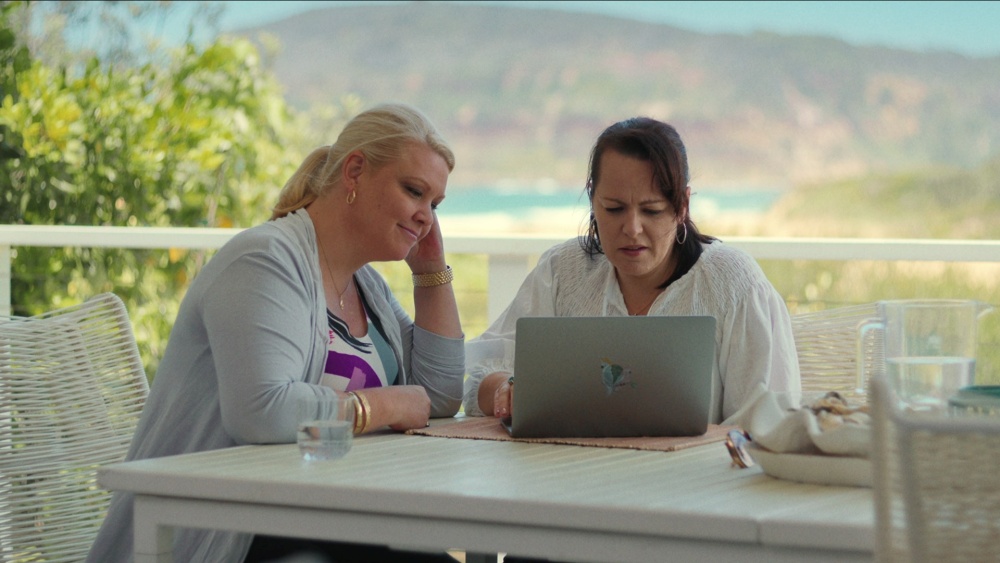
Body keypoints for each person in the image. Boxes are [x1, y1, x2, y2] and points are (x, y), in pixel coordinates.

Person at [87, 103, 465, 563]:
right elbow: (259, 410)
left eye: (435, 205)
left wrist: (430, 272)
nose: (426, 216)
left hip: (320, 518)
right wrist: (380, 405)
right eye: (414, 192)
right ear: (355, 171)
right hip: (222, 532)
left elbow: (439, 396)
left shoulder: (367, 286)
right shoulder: (264, 261)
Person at [464, 116, 800, 426]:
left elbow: (770, 423)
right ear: (592, 201)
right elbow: (479, 375)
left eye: (652, 211)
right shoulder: (562, 272)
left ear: (682, 206)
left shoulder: (734, 285)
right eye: (614, 209)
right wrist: (504, 390)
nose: (632, 228)